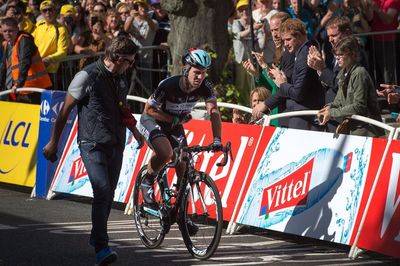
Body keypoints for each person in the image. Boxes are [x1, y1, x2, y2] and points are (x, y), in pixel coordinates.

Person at [42, 36, 144, 265]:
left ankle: (97, 236)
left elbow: (123, 108)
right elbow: (65, 111)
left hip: (116, 141)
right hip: (92, 142)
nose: (131, 66)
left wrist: (135, 131)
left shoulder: (120, 77)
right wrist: (53, 142)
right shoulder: (86, 76)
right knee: (102, 190)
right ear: (118, 59)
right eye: (129, 61)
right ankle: (101, 247)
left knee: (107, 196)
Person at [139, 48, 222, 236]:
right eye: (197, 72)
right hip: (153, 120)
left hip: (174, 123)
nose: (200, 76)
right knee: (167, 153)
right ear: (186, 69)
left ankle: (180, 210)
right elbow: (148, 110)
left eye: (204, 72)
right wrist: (173, 120)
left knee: (184, 161)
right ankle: (147, 180)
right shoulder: (168, 85)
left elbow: (214, 112)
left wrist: (217, 139)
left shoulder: (205, 86)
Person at [252, 18, 325, 131]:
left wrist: (282, 83)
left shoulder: (304, 55)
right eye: (284, 40)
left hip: (304, 118)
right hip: (300, 115)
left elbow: (297, 93)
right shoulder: (299, 53)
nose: (285, 44)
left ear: (299, 36)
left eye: (288, 39)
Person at [317, 36, 384, 137]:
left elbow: (359, 106)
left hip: (367, 131)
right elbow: (339, 101)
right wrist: (328, 109)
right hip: (354, 130)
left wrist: (332, 112)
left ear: (352, 54)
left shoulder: (359, 73)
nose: (337, 58)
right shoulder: (342, 73)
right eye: (336, 55)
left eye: (341, 54)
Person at [0, 17, 52, 103]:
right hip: (20, 90)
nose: (7, 34)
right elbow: (3, 67)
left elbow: (25, 62)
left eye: (10, 31)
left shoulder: (24, 40)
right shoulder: (7, 45)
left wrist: (18, 83)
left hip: (35, 89)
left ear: (17, 29)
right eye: (5, 31)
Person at [32, 0, 69, 88]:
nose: (48, 12)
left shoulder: (61, 29)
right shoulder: (39, 25)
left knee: (47, 101)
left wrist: (48, 59)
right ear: (41, 13)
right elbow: (30, 44)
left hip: (50, 72)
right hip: (34, 69)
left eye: (50, 10)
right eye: (45, 10)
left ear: (55, 11)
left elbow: (63, 52)